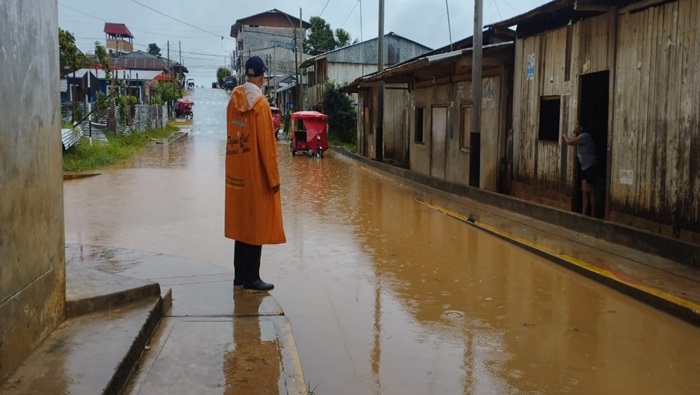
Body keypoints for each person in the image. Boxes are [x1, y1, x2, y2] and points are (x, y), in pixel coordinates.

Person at [225, 56, 285, 293]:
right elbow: (266, 147)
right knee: (256, 224)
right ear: (261, 77)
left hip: (236, 174)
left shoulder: (232, 101)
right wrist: (273, 179)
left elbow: (232, 136)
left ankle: (239, 276)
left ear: (246, 76)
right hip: (256, 175)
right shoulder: (260, 105)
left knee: (241, 225)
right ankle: (253, 277)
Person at [562, 119, 598, 216]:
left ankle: (594, 215)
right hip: (585, 167)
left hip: (590, 166)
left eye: (577, 125)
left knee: (591, 191)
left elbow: (569, 142)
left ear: (581, 127)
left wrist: (564, 135)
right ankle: (584, 214)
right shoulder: (580, 137)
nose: (575, 127)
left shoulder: (585, 136)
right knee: (583, 190)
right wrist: (575, 132)